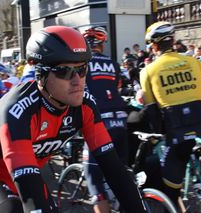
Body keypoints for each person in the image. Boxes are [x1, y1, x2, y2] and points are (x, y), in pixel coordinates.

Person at [0, 26, 144, 213]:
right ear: (40, 75)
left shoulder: (86, 106)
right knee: (11, 209)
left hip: (24, 172)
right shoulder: (17, 111)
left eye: (82, 69)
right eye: (64, 71)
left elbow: (114, 170)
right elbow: (27, 182)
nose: (77, 80)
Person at [140, 21, 201, 212]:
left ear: (154, 46)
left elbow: (152, 111)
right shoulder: (195, 62)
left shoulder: (148, 71)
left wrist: (159, 133)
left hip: (177, 135)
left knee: (171, 193)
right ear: (173, 41)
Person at [82, 26, 130, 213]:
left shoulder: (82, 63)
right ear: (102, 43)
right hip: (120, 121)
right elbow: (117, 87)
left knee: (94, 180)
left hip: (99, 122)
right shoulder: (113, 63)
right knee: (119, 172)